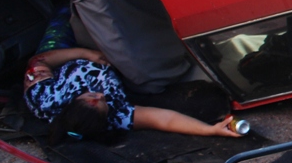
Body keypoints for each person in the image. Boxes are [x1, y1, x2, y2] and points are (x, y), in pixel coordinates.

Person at [23, 48, 240, 145]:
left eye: (90, 96)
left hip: (65, 53)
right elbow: (164, 119)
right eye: (102, 102)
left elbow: (39, 61)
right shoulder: (117, 117)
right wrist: (209, 130)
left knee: (59, 23)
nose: (99, 95)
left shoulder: (44, 98)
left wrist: (84, 54)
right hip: (106, 57)